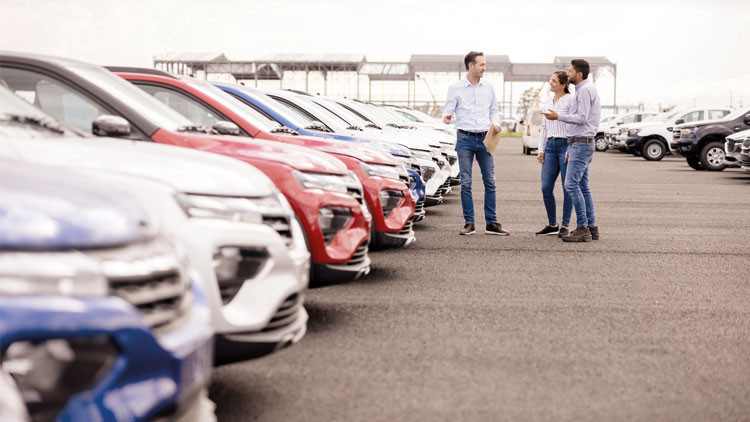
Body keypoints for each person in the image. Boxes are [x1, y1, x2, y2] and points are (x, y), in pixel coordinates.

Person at [442, 51, 509, 236]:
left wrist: (496, 124)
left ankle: (491, 223)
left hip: (486, 139)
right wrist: (447, 117)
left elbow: (494, 110)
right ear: (471, 66)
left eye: (485, 64)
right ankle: (469, 223)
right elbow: (447, 112)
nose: (484, 68)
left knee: (490, 182)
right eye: (481, 65)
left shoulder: (488, 87)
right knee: (466, 183)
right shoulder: (455, 88)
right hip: (464, 139)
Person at [542, 59, 601, 242]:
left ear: (579, 74)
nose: (567, 74)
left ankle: (583, 228)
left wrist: (558, 116)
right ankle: (592, 227)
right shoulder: (584, 90)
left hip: (581, 143)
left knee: (571, 185)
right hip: (580, 142)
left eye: (570, 71)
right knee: (582, 186)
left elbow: (582, 118)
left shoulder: (584, 91)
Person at [536, 71, 573, 238]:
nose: (550, 83)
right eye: (550, 80)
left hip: (565, 145)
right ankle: (552, 225)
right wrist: (541, 149)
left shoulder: (570, 100)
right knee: (545, 187)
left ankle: (565, 225)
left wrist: (570, 149)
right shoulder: (548, 100)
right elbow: (544, 127)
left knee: (567, 188)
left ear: (563, 85)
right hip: (550, 146)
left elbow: (573, 124)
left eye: (554, 81)